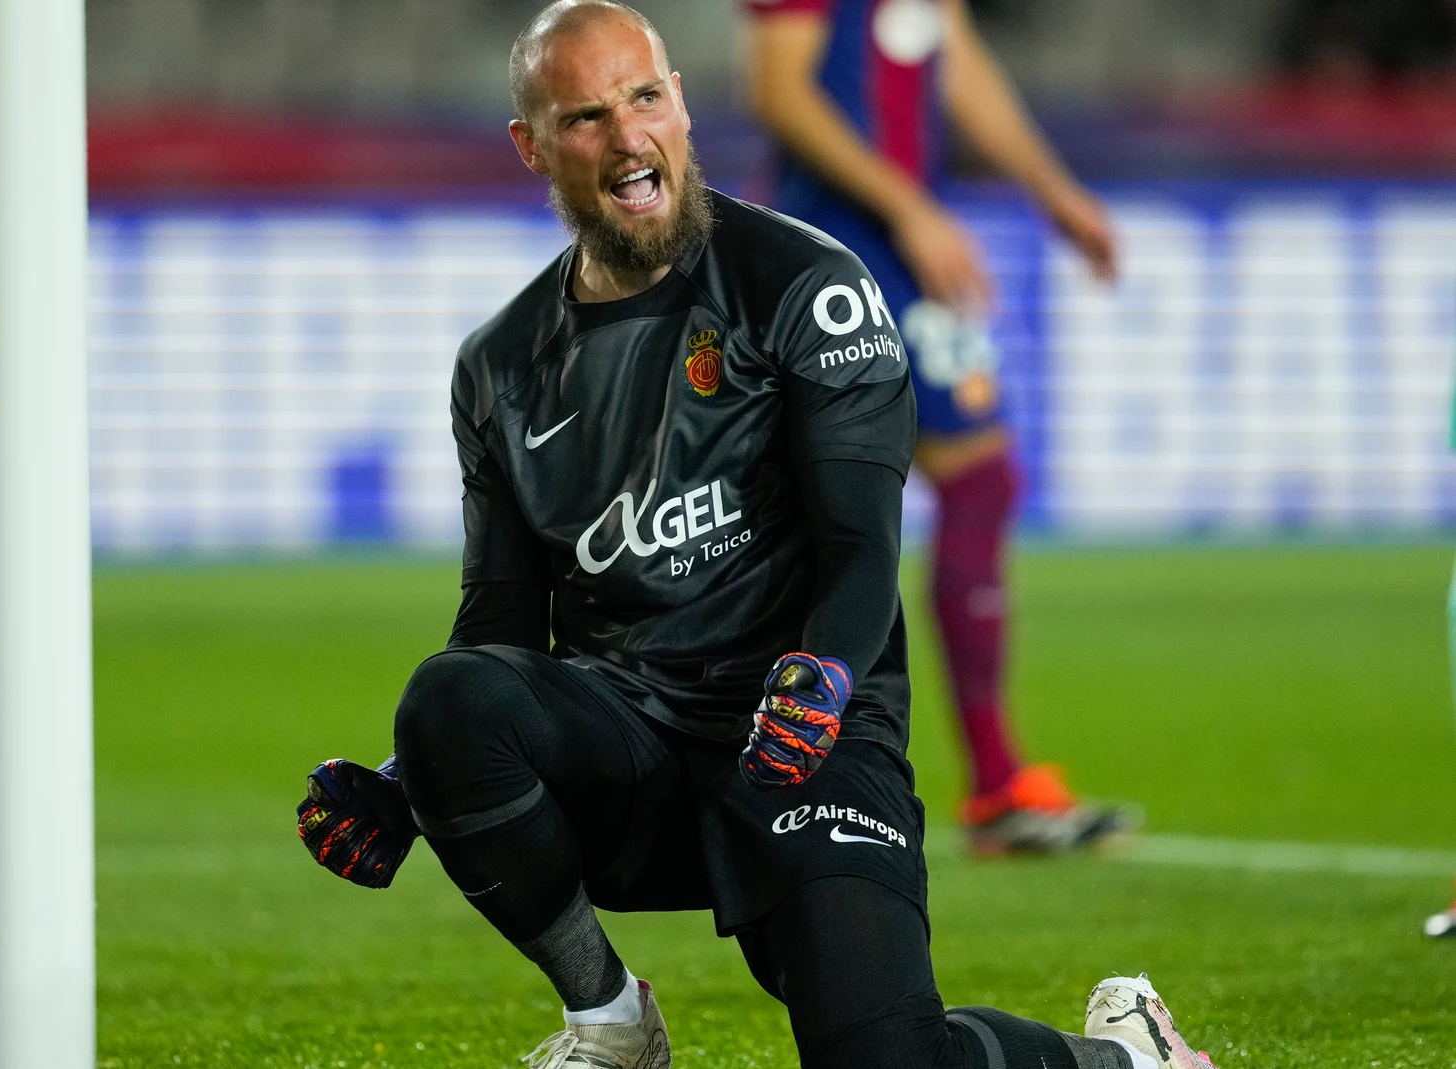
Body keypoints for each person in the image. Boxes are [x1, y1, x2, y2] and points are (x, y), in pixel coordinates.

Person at [295, 4, 1217, 1067]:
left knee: (883, 1059)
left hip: (804, 736)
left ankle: (1129, 1055)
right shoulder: (499, 366)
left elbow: (861, 548)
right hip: (634, 748)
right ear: (532, 146)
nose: (629, 137)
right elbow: (499, 625)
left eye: (646, 98)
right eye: (587, 117)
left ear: (681, 103)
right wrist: (406, 784)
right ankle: (609, 1021)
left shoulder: (806, 288)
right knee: (446, 697)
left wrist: (826, 677)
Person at [741, 0, 1127, 853]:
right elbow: (780, 91)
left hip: (897, 241)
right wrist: (910, 207)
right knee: (824, 508)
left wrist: (1054, 193)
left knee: (972, 481)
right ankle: (961, 782)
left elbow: (960, 65)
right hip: (833, 245)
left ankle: (992, 782)